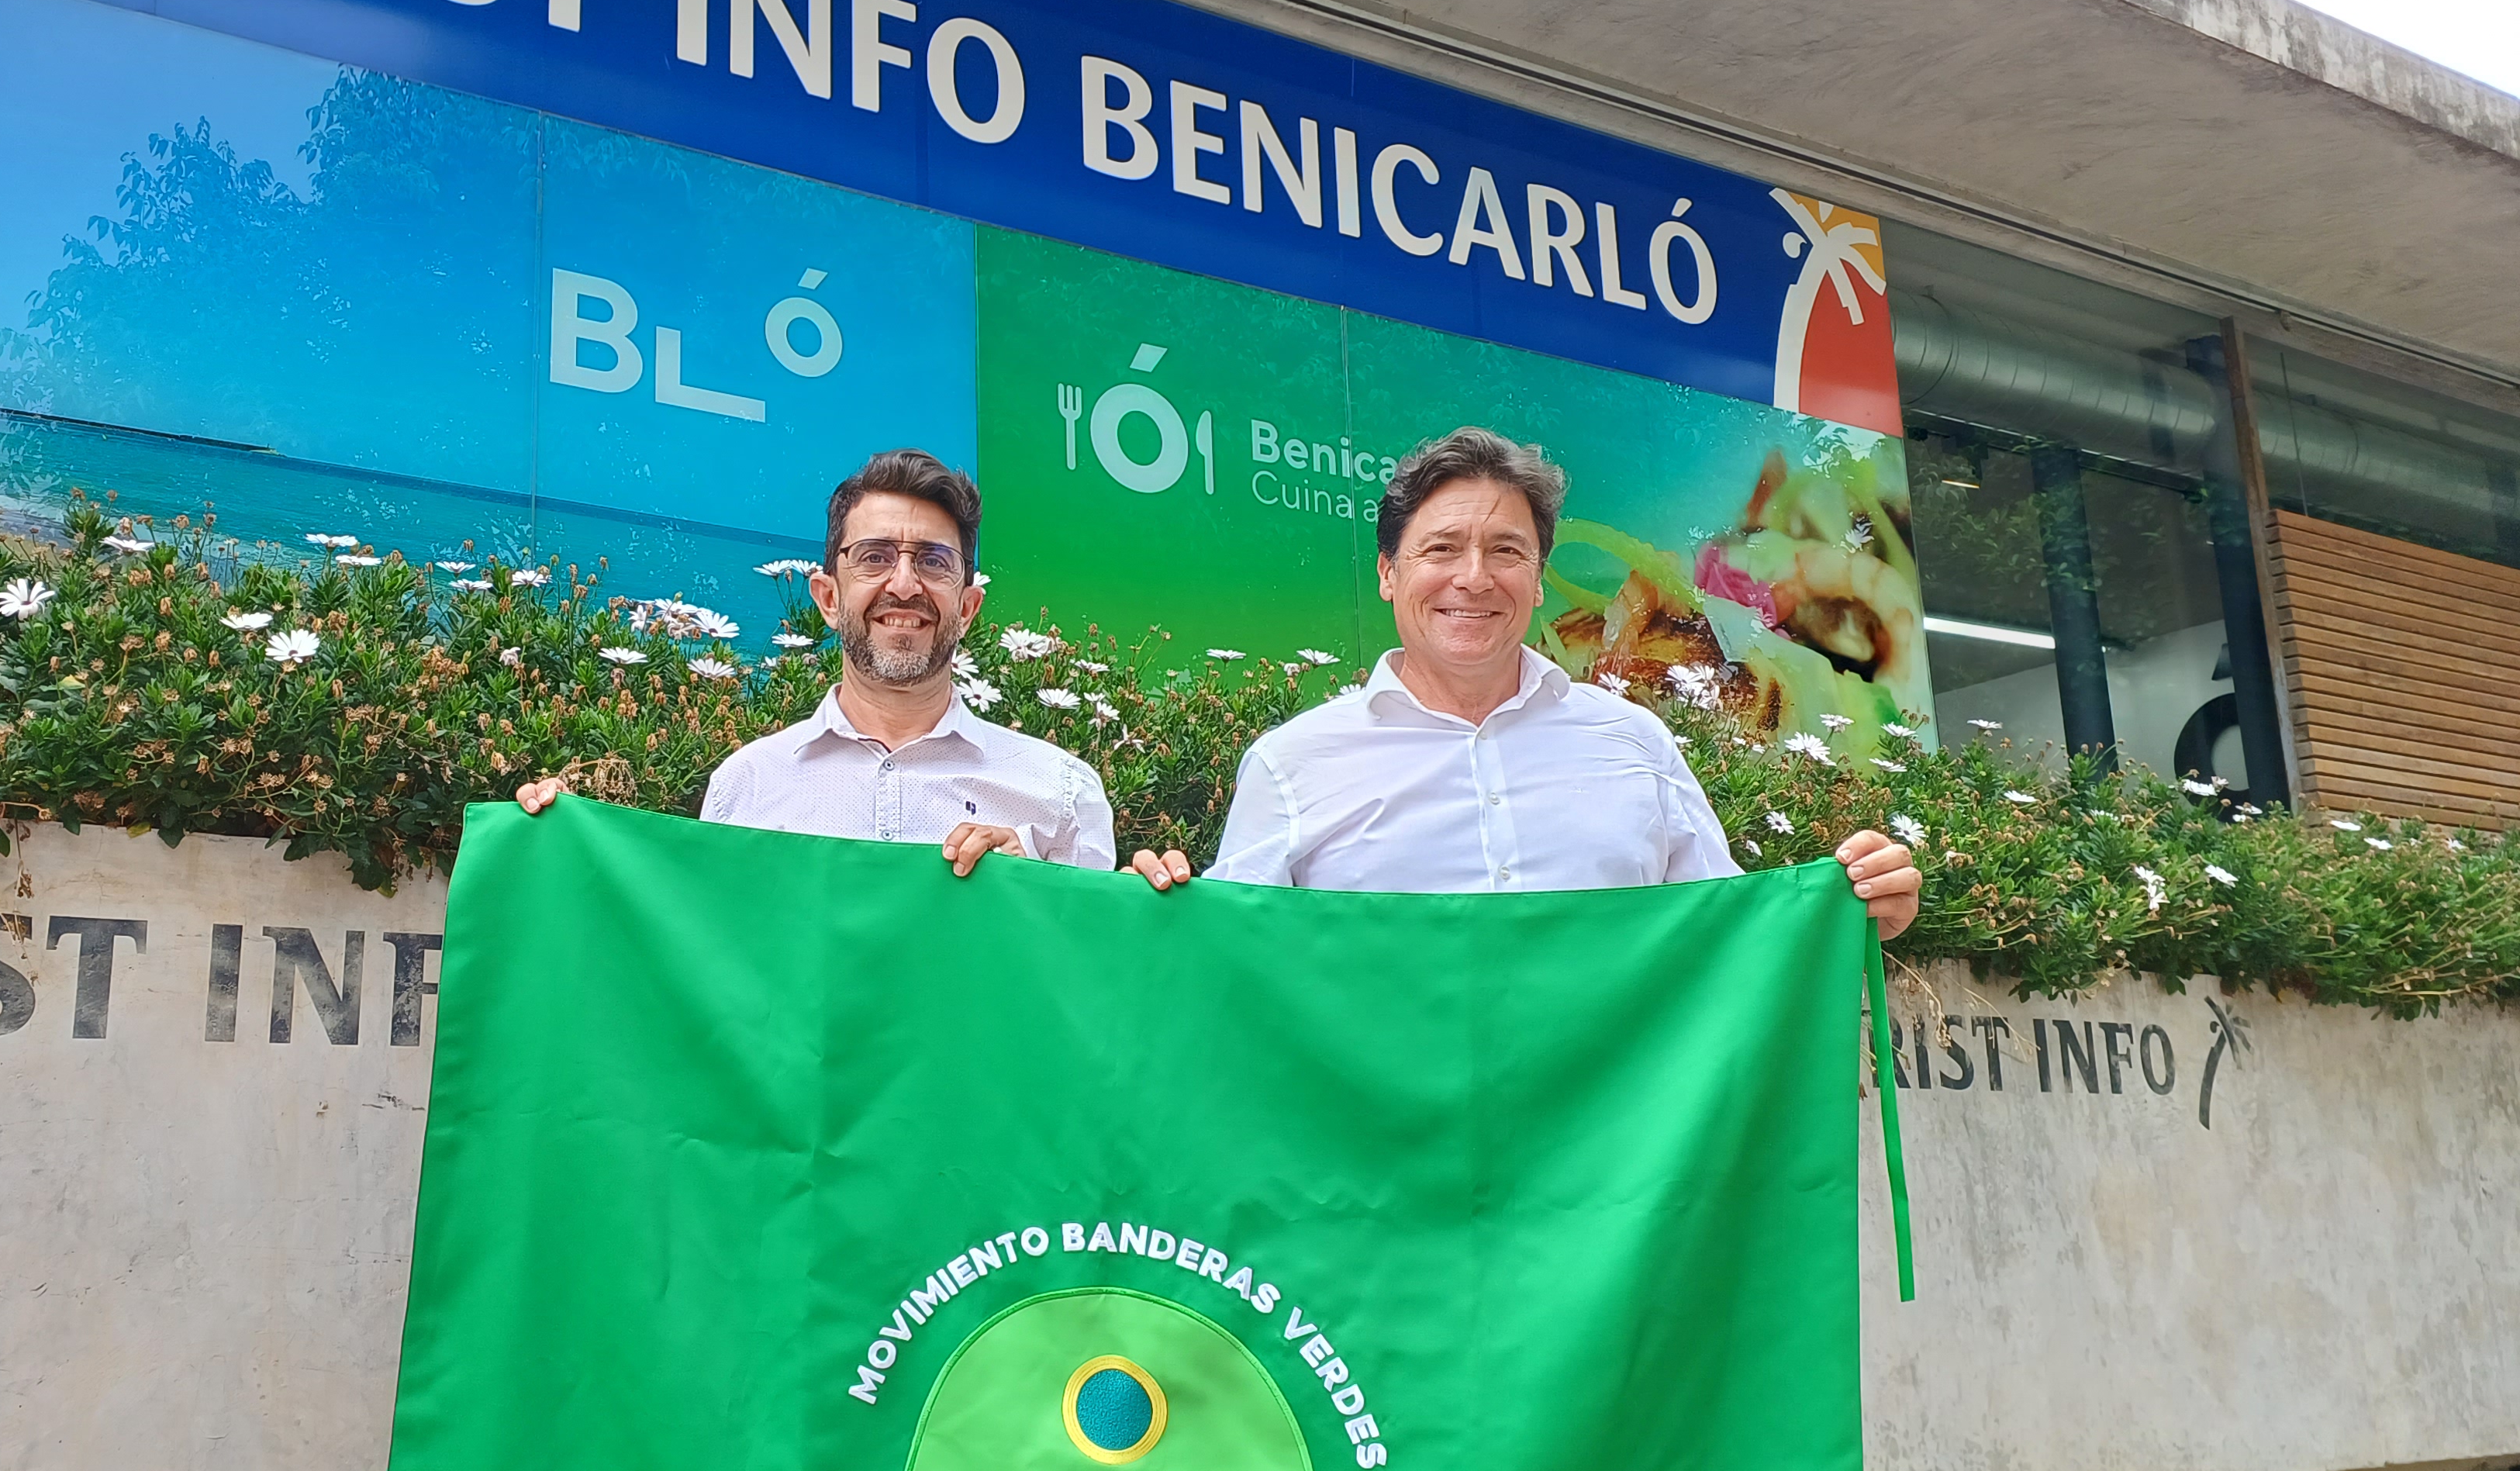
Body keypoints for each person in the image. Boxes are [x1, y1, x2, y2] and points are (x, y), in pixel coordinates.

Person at [1152, 425, 1921, 932]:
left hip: (1606, 1139)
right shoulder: (1292, 767)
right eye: (1441, 550)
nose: (1473, 578)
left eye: (1507, 552)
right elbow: (1230, 971)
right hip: (1377, 1140)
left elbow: (1724, 939)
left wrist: (1847, 914)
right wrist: (1145, 910)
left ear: (1540, 578)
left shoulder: (1636, 744)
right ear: (1388, 574)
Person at [516, 448, 1120, 875]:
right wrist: (556, 848)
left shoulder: (1062, 795)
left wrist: (1033, 897)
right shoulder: (746, 789)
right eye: (875, 557)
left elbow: (1096, 986)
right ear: (828, 598)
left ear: (967, 607)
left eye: (934, 562)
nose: (904, 585)